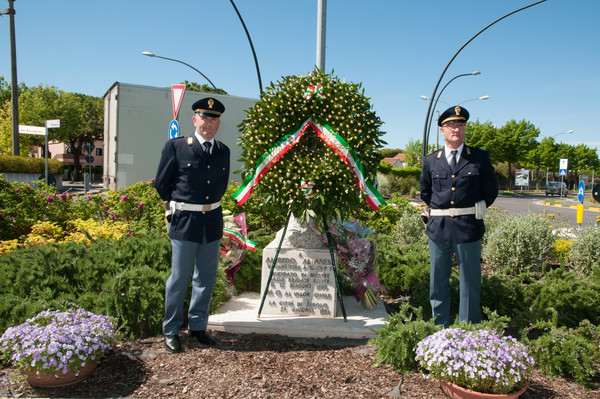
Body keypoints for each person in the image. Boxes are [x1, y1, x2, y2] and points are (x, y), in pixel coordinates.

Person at [154, 97, 230, 353]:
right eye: (204, 118)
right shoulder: (176, 147)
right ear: (194, 119)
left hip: (212, 221)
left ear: (219, 123)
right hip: (185, 221)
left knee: (206, 278)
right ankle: (171, 329)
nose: (208, 123)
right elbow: (161, 184)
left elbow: (221, 186)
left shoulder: (222, 151)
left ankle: (198, 326)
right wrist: (173, 207)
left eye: (214, 119)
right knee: (179, 278)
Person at [420, 105, 498, 328]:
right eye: (451, 125)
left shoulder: (479, 158)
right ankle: (439, 327)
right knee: (437, 281)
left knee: (470, 281)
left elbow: (490, 191)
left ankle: (468, 328)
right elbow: (426, 192)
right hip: (439, 228)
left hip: (468, 227)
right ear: (442, 130)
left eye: (461, 125)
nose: (456, 129)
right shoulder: (430, 160)